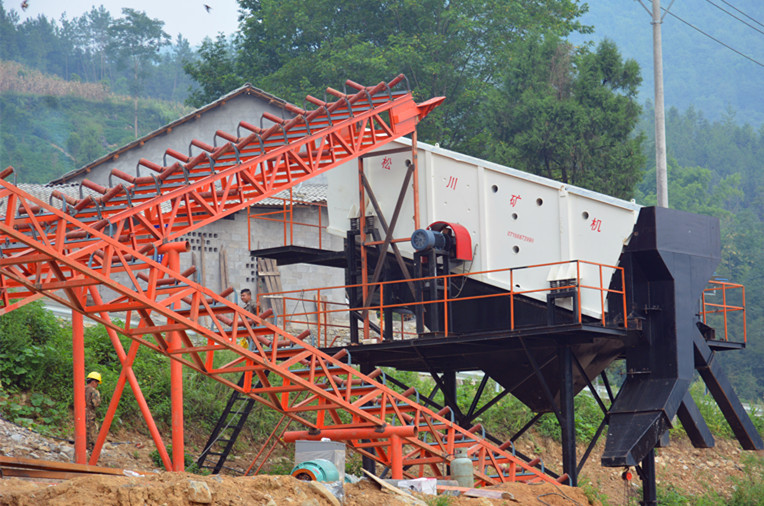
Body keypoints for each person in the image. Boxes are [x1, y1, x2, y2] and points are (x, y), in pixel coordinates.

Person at [85, 371, 101, 452]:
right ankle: (91, 451)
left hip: (80, 414)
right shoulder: (94, 391)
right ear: (94, 382)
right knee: (91, 433)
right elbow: (96, 404)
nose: (97, 385)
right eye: (97, 383)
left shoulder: (81, 389)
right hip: (90, 414)